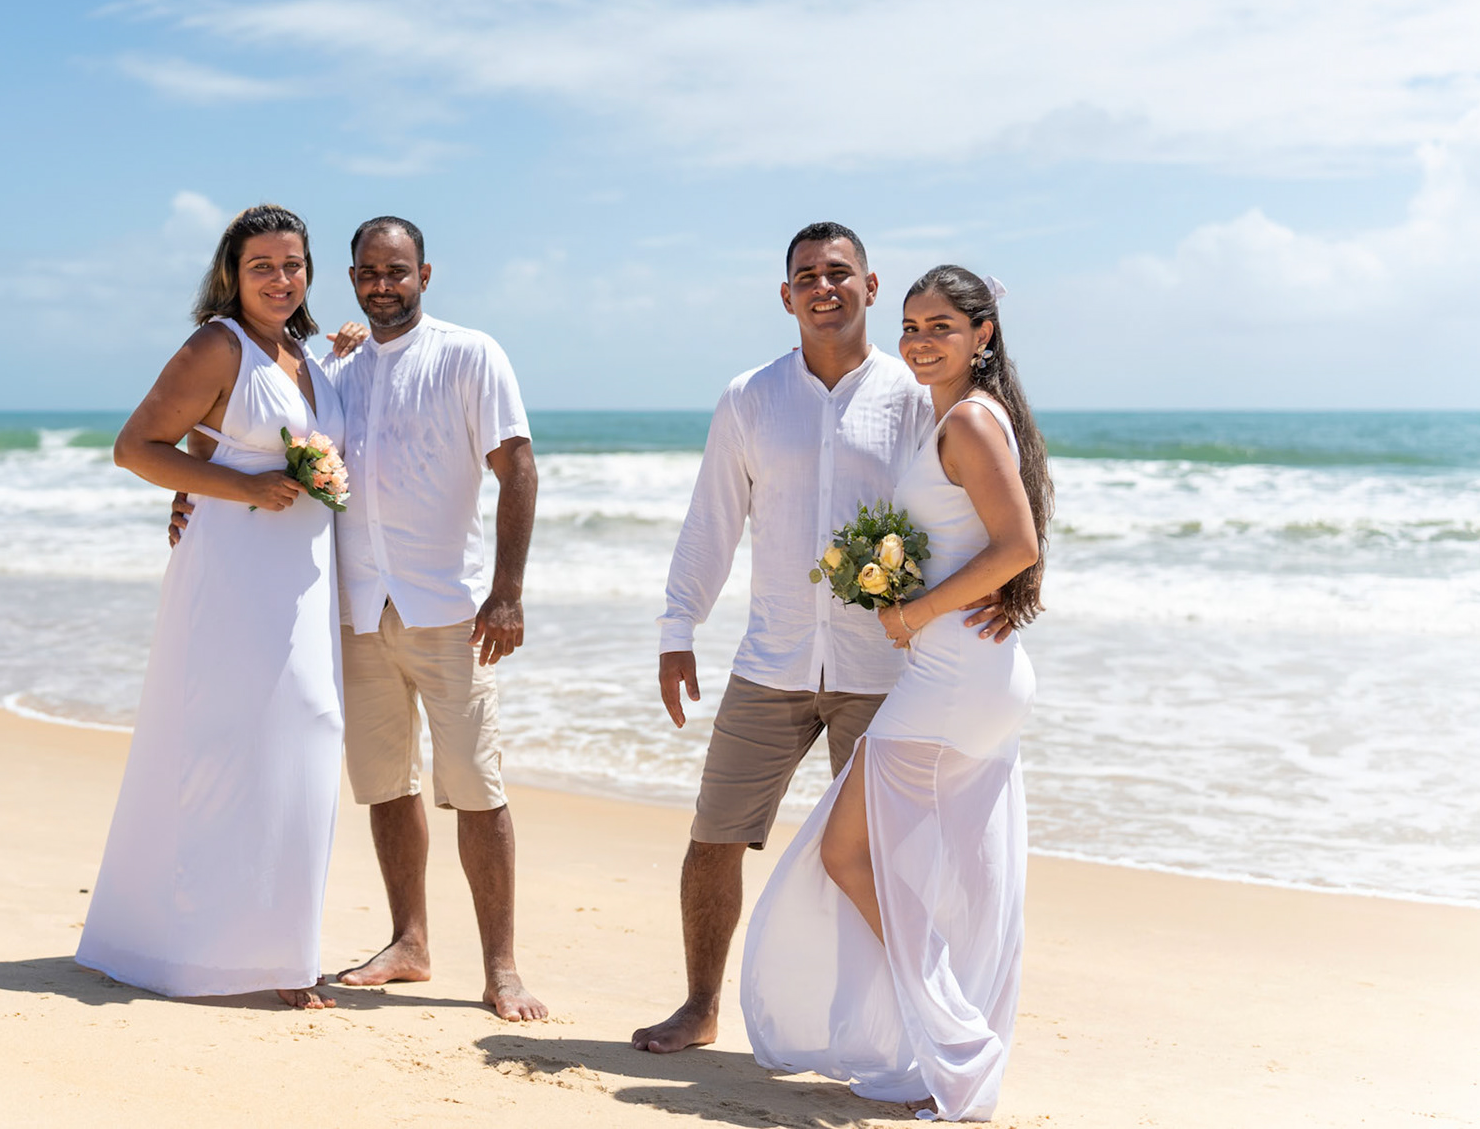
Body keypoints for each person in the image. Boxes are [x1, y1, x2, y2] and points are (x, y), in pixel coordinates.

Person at [170, 215, 547, 1021]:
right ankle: (409, 941)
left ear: (425, 274)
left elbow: (516, 465)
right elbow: (245, 427)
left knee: (477, 789)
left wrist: (508, 591)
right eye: (370, 273)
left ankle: (503, 967)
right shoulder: (334, 365)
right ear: (351, 279)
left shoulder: (471, 354)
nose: (384, 285)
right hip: (353, 607)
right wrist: (189, 485)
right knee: (385, 784)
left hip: (449, 607)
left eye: (398, 271)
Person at [739, 264, 1051, 1122]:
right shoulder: (962, 417)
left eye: (941, 326)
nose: (918, 340)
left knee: (847, 853)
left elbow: (1017, 545)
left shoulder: (971, 424)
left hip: (953, 677)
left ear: (983, 335)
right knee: (943, 870)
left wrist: (910, 611)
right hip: (970, 676)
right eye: (911, 325)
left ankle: (956, 1040)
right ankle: (942, 1044)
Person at [634, 222, 947, 1055]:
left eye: (840, 273)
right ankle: (701, 1006)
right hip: (769, 660)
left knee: (881, 859)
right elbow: (714, 520)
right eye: (807, 275)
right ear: (786, 296)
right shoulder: (749, 396)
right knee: (713, 836)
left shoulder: (918, 398)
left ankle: (903, 1027)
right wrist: (677, 629)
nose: (824, 287)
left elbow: (955, 521)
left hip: (884, 667)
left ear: (872, 288)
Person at [76, 204, 347, 1010]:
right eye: (262, 264)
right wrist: (237, 485)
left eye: (293, 263)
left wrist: (215, 465)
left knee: (304, 738)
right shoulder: (217, 344)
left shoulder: (301, 352)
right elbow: (135, 447)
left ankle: (277, 950)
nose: (280, 278)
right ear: (233, 273)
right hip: (232, 576)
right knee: (229, 747)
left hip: (300, 578)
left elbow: (216, 437)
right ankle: (219, 954)